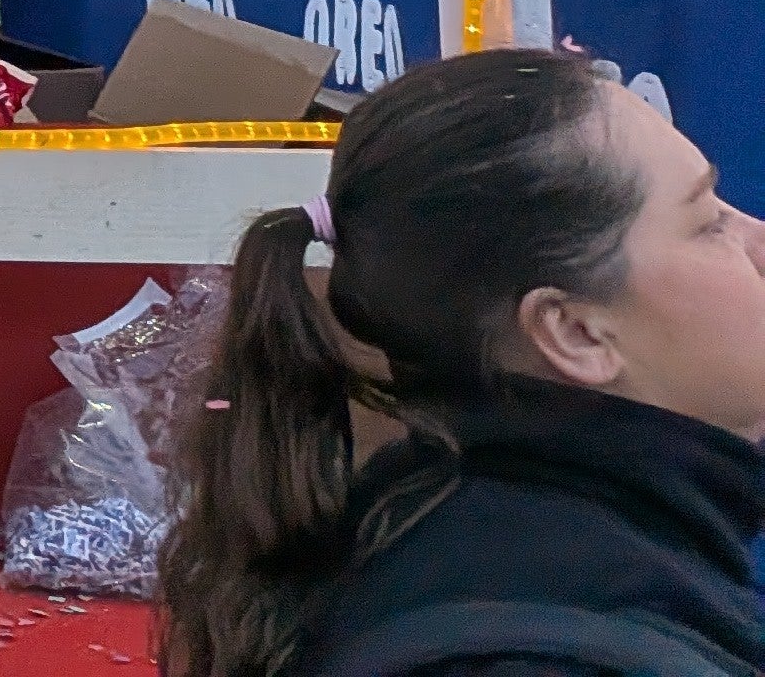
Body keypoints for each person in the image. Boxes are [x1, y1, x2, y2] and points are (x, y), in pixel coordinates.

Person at [162, 47, 765, 677]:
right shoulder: (532, 647)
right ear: (576, 333)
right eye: (708, 223)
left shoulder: (445, 527)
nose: (760, 240)